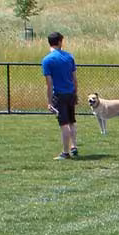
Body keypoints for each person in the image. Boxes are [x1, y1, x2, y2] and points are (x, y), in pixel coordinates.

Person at [42, 32, 79, 160]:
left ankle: (65, 152)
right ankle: (74, 146)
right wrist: (75, 93)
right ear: (59, 42)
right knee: (72, 121)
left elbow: (49, 83)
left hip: (59, 95)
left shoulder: (47, 60)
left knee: (64, 124)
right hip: (70, 93)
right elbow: (75, 79)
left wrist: (49, 101)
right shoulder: (69, 57)